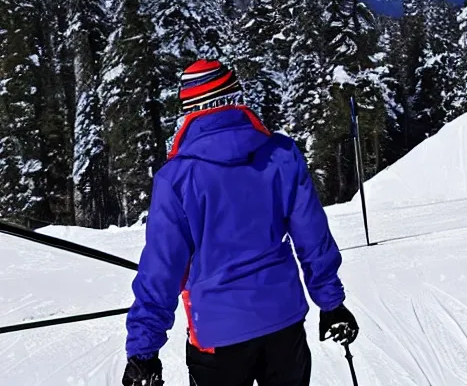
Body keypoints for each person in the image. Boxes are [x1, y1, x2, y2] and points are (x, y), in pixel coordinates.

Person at [122, 59, 359, 386]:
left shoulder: (176, 178)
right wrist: (332, 302)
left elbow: (162, 268)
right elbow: (311, 234)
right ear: (234, 98)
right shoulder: (281, 154)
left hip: (218, 339)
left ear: (190, 110)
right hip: (283, 325)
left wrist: (143, 351)